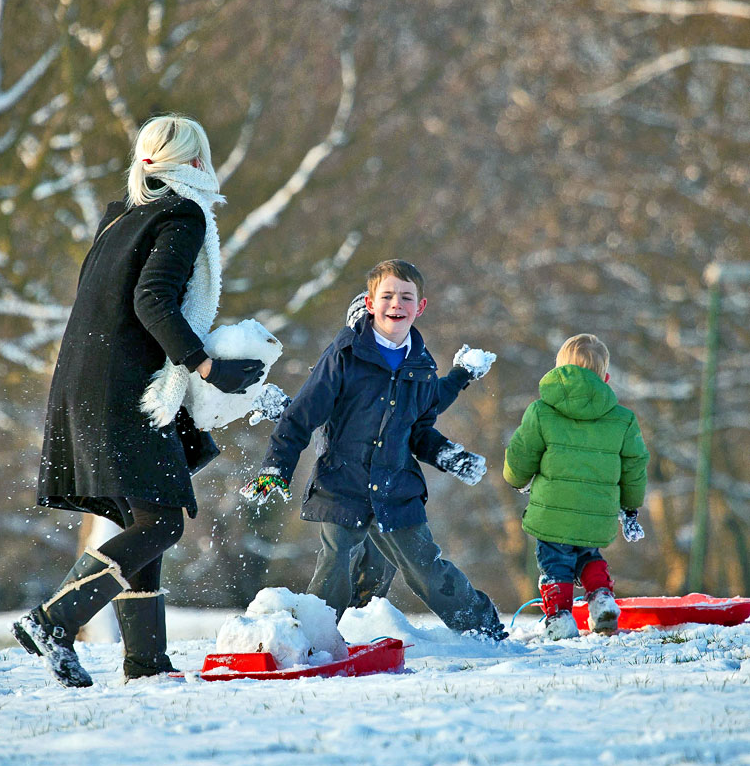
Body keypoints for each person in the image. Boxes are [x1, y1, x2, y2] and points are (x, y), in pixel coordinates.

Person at [12, 114, 265, 687]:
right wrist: (205, 365)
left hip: (84, 379)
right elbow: (153, 300)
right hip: (129, 389)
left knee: (147, 516)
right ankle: (55, 620)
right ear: (197, 161)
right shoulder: (182, 213)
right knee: (163, 524)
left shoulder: (119, 213)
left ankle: (146, 662)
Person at [241, 259, 507, 640]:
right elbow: (300, 416)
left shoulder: (422, 367)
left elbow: (418, 431)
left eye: (405, 297)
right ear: (369, 303)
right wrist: (276, 466)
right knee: (334, 567)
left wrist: (446, 454)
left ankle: (484, 630)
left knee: (426, 570)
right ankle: (310, 641)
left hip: (397, 488)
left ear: (420, 307)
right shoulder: (344, 356)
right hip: (343, 484)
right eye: (386, 296)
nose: (395, 304)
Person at [503, 333, 649, 639]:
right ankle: (601, 598)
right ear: (606, 378)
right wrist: (630, 505)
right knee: (588, 556)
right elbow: (634, 466)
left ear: (558, 372)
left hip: (552, 515)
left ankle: (559, 618)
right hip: (597, 512)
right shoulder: (622, 420)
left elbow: (521, 454)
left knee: (555, 562)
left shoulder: (541, 411)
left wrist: (516, 479)